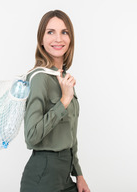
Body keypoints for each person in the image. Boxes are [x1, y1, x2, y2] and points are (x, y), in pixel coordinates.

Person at [20, 10, 90, 192]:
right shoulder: (39, 78)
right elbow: (31, 136)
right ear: (41, 40)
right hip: (43, 176)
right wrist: (64, 101)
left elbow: (70, 132)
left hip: (66, 173)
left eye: (64, 32)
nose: (58, 38)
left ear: (70, 39)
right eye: (50, 32)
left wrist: (79, 174)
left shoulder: (64, 78)